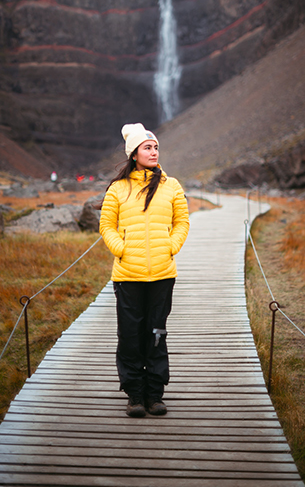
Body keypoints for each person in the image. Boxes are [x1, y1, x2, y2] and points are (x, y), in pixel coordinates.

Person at [99, 123, 189, 417]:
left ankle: (155, 395)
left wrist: (170, 247)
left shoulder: (171, 185)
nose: (154, 151)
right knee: (130, 335)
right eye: (147, 147)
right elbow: (106, 226)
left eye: (156, 147)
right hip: (128, 276)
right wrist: (121, 249)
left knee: (157, 333)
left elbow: (182, 222)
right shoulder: (118, 188)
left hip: (162, 274)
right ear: (134, 154)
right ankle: (135, 395)